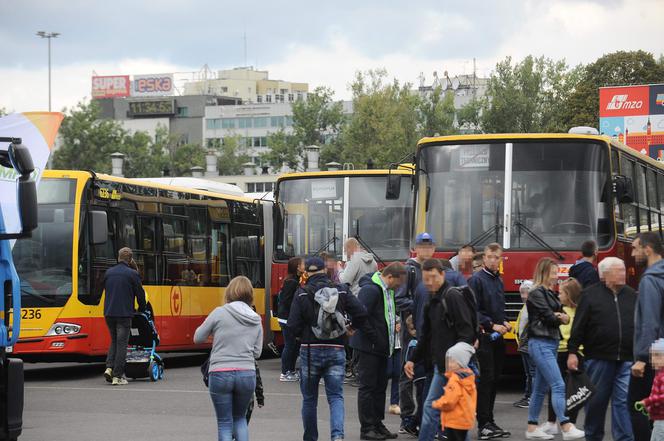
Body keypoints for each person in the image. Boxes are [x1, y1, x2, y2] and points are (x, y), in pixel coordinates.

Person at [288, 256, 375, 441]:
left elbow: (293, 325)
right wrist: (350, 329)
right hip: (336, 349)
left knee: (310, 399)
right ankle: (337, 436)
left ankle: (311, 437)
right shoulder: (341, 290)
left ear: (307, 274)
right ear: (324, 271)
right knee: (335, 397)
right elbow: (361, 313)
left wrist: (302, 336)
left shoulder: (301, 293)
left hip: (310, 350)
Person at [403, 258, 477, 441]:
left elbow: (467, 331)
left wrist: (457, 359)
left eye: (433, 277)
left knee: (439, 412)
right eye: (426, 279)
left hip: (455, 368)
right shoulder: (431, 301)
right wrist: (412, 359)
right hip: (441, 367)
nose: (430, 282)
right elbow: (425, 336)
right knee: (448, 414)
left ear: (442, 275)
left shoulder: (452, 296)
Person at [567, 257, 635, 441]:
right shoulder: (589, 295)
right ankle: (593, 436)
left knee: (623, 402)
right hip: (599, 358)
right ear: (605, 275)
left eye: (623, 269)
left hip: (627, 358)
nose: (623, 273)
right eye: (618, 270)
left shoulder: (632, 295)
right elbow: (578, 326)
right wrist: (572, 351)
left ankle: (625, 438)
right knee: (596, 403)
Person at [194, 276, 263, 441]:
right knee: (240, 419)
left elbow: (198, 338)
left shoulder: (219, 312)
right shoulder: (256, 318)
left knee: (224, 422)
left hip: (220, 372)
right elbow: (257, 352)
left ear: (229, 292)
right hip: (247, 373)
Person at [525, 258, 584, 440]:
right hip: (541, 343)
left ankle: (532, 427)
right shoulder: (536, 293)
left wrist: (557, 316)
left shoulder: (548, 293)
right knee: (558, 385)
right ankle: (566, 425)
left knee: (540, 388)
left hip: (549, 343)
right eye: (553, 272)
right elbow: (551, 317)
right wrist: (557, 316)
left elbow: (561, 315)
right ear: (544, 272)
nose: (556, 276)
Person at [351, 263, 406, 440]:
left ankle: (377, 423)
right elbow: (360, 316)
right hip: (370, 348)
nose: (399, 287)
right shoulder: (371, 290)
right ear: (390, 277)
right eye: (398, 283)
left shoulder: (388, 291)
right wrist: (375, 337)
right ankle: (367, 428)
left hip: (383, 347)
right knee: (368, 387)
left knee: (380, 387)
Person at [394, 232, 436, 436]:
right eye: (422, 247)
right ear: (415, 248)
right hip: (411, 330)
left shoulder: (435, 268)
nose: (426, 250)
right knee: (407, 372)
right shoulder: (408, 269)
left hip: (428, 330)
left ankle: (421, 416)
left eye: (429, 247)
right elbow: (399, 299)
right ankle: (407, 417)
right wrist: (419, 306)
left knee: (425, 373)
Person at [468, 243, 510, 439]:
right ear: (484, 258)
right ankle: (483, 424)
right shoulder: (476, 280)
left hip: (498, 338)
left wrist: (504, 322)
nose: (494, 260)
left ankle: (490, 421)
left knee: (494, 381)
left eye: (497, 257)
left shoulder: (498, 281)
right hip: (484, 337)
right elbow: (473, 311)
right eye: (490, 257)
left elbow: (497, 308)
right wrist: (492, 325)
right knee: (485, 380)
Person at [631, 232, 664, 441]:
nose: (633, 253)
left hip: (654, 356)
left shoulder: (650, 280)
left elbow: (649, 322)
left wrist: (642, 358)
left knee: (638, 407)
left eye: (635, 248)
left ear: (648, 249)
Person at [542, 278, 583, 435]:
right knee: (555, 388)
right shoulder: (559, 309)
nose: (558, 295)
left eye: (561, 293)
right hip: (558, 351)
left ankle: (570, 424)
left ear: (570, 294)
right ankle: (552, 422)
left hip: (574, 353)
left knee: (574, 390)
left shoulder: (579, 311)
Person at [103, 247, 147, 386]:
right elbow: (140, 294)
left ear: (118, 257)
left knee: (114, 341)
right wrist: (142, 308)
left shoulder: (108, 272)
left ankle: (109, 368)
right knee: (122, 344)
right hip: (124, 314)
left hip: (109, 313)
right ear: (130, 259)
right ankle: (118, 376)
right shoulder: (132, 274)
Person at [432, 342, 477, 441]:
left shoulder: (454, 380)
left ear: (461, 363)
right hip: (465, 420)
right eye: (448, 361)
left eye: (452, 362)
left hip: (454, 421)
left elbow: (450, 401)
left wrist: (437, 404)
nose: (449, 364)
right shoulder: (468, 378)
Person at [277, 257, 304, 382]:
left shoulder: (294, 280)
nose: (305, 266)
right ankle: (285, 372)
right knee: (290, 345)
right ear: (297, 267)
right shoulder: (291, 282)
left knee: (294, 345)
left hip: (289, 318)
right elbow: (286, 301)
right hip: (287, 318)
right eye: (303, 264)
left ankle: (291, 370)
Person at [635, 338, 664, 441]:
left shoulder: (662, 377)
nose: (653, 359)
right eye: (652, 356)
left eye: (657, 356)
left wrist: (647, 402)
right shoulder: (659, 375)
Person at [514, 280, 535, 409]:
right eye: (521, 292)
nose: (523, 296)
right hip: (524, 345)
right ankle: (528, 396)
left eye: (526, 293)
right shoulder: (526, 306)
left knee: (532, 373)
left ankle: (530, 398)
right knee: (529, 373)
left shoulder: (531, 307)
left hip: (528, 345)